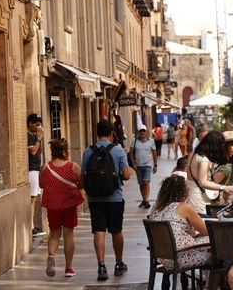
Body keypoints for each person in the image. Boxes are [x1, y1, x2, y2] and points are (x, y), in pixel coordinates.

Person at [81, 119, 134, 281]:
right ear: (111, 134)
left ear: (97, 134)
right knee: (116, 230)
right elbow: (126, 175)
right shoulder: (118, 151)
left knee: (99, 231)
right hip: (115, 198)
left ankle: (101, 266)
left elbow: (82, 176)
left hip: (95, 199)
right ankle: (119, 264)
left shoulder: (88, 151)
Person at [148, 175, 212, 290]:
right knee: (216, 245)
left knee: (208, 243)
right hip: (181, 256)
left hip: (164, 258)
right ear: (183, 191)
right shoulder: (183, 208)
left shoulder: (155, 208)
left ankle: (210, 289)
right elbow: (207, 230)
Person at [39, 137, 84, 278]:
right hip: (69, 205)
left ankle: (51, 256)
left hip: (53, 206)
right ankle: (68, 268)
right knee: (68, 235)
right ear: (65, 151)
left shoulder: (45, 168)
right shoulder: (72, 167)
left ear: (52, 151)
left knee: (54, 235)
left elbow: (41, 184)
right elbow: (82, 184)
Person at [187, 130, 233, 215]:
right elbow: (202, 182)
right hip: (198, 200)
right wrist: (224, 187)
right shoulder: (204, 160)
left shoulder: (194, 154)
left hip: (190, 195)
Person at [27, 113, 46, 237]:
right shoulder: (28, 137)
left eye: (40, 124)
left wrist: (40, 138)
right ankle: (31, 227)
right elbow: (33, 152)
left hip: (36, 169)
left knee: (34, 198)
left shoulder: (35, 136)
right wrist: (38, 139)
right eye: (37, 124)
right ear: (30, 124)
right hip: (31, 170)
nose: (39, 126)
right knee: (32, 199)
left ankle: (33, 225)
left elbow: (39, 151)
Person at [132, 124, 158, 209]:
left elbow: (154, 153)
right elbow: (130, 152)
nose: (142, 132)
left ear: (146, 132)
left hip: (147, 165)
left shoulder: (151, 141)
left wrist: (155, 165)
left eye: (144, 131)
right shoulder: (134, 141)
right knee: (141, 183)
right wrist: (133, 164)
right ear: (138, 132)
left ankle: (146, 200)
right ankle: (143, 200)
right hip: (138, 165)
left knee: (146, 182)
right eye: (141, 131)